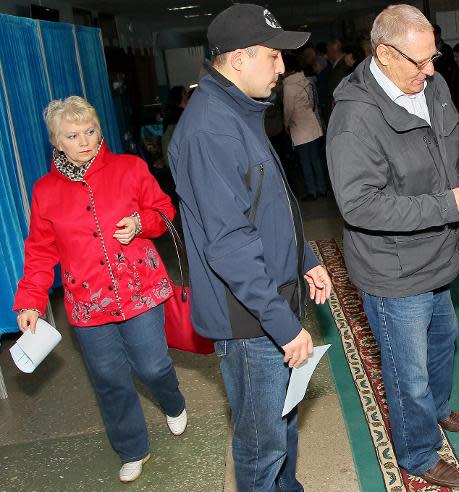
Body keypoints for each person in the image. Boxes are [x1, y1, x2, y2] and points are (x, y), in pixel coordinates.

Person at [326, 4, 459, 488]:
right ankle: (418, 452)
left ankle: (438, 411)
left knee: (443, 342)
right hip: (392, 268)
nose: (431, 71)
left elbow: (455, 143)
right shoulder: (354, 118)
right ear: (383, 53)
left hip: (437, 253)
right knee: (409, 372)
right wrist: (447, 206)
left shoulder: (433, 85)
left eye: (435, 58)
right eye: (418, 62)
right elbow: (360, 206)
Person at [167, 5, 333, 491]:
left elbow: (267, 205)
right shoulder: (210, 130)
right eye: (273, 57)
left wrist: (305, 257)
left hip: (269, 301)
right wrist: (283, 326)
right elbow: (231, 245)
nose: (282, 68)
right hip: (249, 319)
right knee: (262, 447)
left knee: (282, 426)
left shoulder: (236, 111)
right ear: (238, 58)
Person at [14, 96, 186, 483]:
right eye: (73, 135)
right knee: (109, 379)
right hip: (88, 304)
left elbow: (164, 211)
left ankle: (172, 399)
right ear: (57, 142)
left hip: (140, 288)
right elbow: (40, 251)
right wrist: (30, 300)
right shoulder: (45, 191)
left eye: (90, 131)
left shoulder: (130, 167)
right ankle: (131, 448)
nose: (85, 141)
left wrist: (140, 224)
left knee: (153, 365)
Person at [283, 54, 328, 200]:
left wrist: (286, 125)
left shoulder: (289, 86)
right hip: (312, 124)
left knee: (305, 161)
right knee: (315, 159)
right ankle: (322, 189)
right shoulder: (306, 80)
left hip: (299, 127)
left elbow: (288, 109)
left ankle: (311, 191)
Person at [320, 39, 349, 122]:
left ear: (333, 50)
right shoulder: (337, 65)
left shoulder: (342, 66)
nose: (327, 53)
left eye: (328, 50)